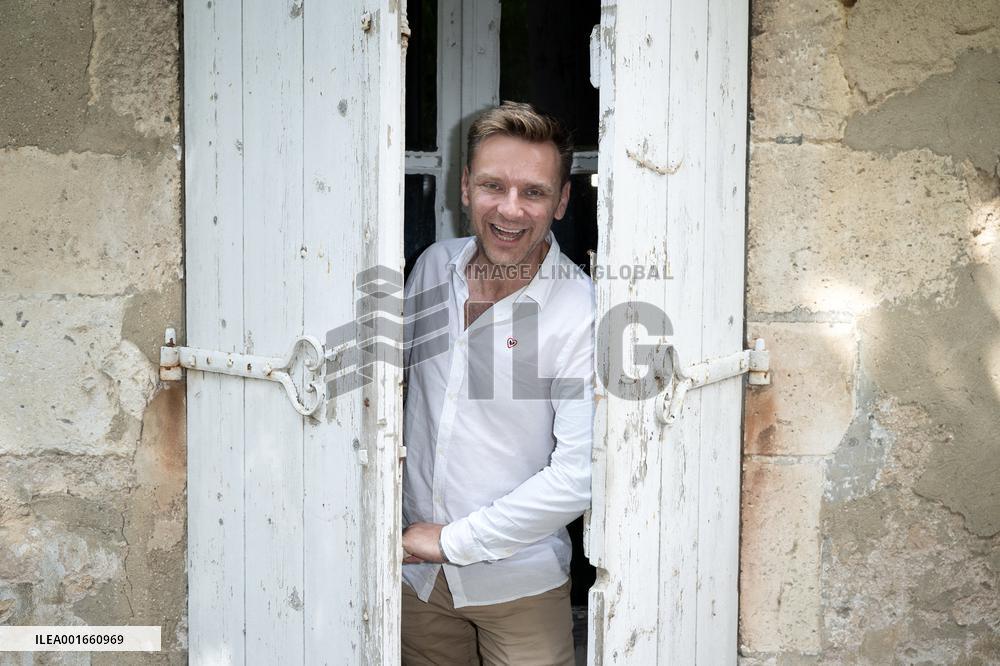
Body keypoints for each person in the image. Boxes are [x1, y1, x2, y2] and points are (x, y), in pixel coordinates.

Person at [400, 101, 595, 665]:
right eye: (493, 186)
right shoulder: (433, 268)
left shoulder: (581, 310)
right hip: (417, 581)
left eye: (533, 192)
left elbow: (578, 475)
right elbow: (394, 397)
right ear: (464, 188)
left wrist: (450, 541)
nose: (511, 209)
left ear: (560, 201)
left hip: (518, 585)